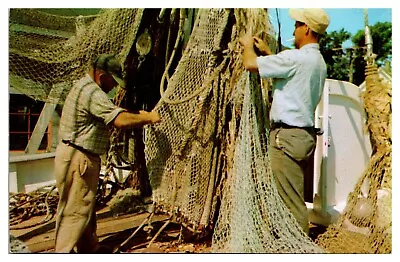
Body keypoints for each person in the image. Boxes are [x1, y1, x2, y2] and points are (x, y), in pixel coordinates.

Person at [54, 54, 161, 253]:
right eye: (113, 81)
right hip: (79, 159)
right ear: (102, 76)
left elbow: (114, 112)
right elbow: (119, 121)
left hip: (72, 154)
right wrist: (150, 119)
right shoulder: (93, 93)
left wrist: (137, 115)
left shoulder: (84, 87)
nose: (114, 87)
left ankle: (89, 249)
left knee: (83, 208)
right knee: (74, 213)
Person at [239, 9, 330, 234]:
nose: (294, 29)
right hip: (303, 136)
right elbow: (290, 75)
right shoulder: (318, 62)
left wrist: (246, 45)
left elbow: (251, 64)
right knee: (293, 191)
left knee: (290, 200)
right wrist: (269, 53)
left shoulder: (295, 58)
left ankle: (296, 247)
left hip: (286, 137)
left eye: (298, 24)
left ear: (307, 29)